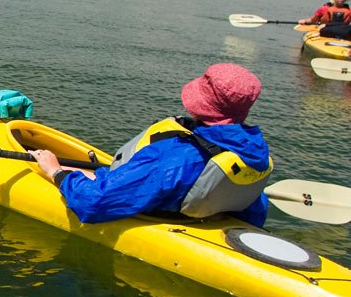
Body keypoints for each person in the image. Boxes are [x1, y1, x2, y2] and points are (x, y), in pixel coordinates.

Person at [32, 63, 273, 226]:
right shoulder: (254, 150)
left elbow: (94, 204)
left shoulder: (173, 158)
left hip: (161, 213)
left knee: (69, 176)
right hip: (207, 215)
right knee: (96, 174)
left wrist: (57, 172)